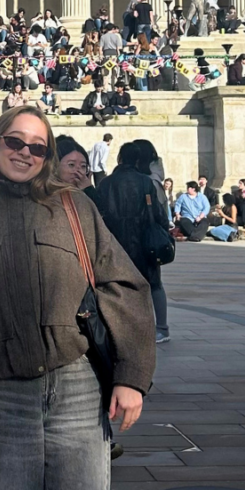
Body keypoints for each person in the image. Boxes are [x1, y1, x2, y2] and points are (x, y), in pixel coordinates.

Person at [0, 104, 155, 490]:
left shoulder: (74, 206)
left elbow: (125, 286)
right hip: (2, 397)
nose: (24, 153)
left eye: (38, 147)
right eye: (15, 142)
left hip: (77, 388)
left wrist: (132, 377)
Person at [97, 139, 173, 344]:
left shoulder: (106, 183)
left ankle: (124, 327)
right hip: (144, 242)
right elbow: (158, 214)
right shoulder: (145, 182)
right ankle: (161, 328)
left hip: (116, 242)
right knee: (154, 284)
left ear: (120, 158)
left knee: (120, 286)